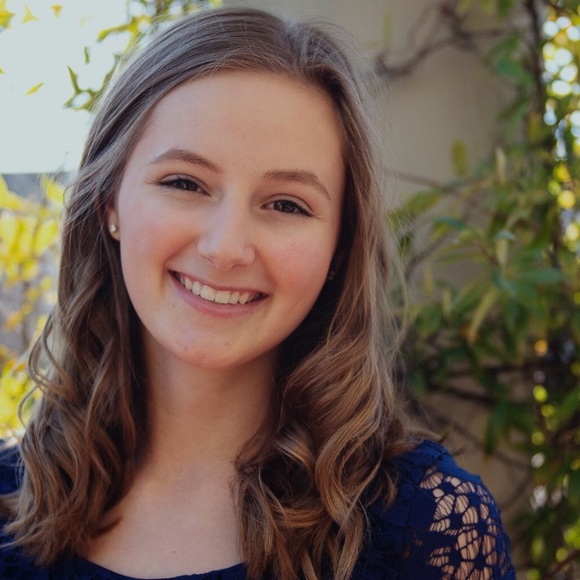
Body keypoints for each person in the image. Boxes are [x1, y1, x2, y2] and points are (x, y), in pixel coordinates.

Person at [0, 6, 515, 579]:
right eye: (184, 183)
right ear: (109, 204)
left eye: (286, 204)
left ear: (339, 246)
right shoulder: (7, 502)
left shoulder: (428, 527)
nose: (226, 248)